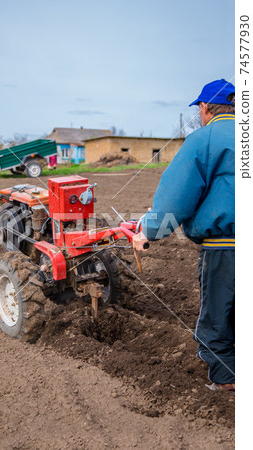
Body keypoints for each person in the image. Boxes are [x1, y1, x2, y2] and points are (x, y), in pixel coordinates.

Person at [133, 79, 235, 392]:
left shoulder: (204, 139)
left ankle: (228, 384)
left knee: (219, 318)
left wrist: (147, 231)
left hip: (227, 247)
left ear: (205, 108)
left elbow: (176, 198)